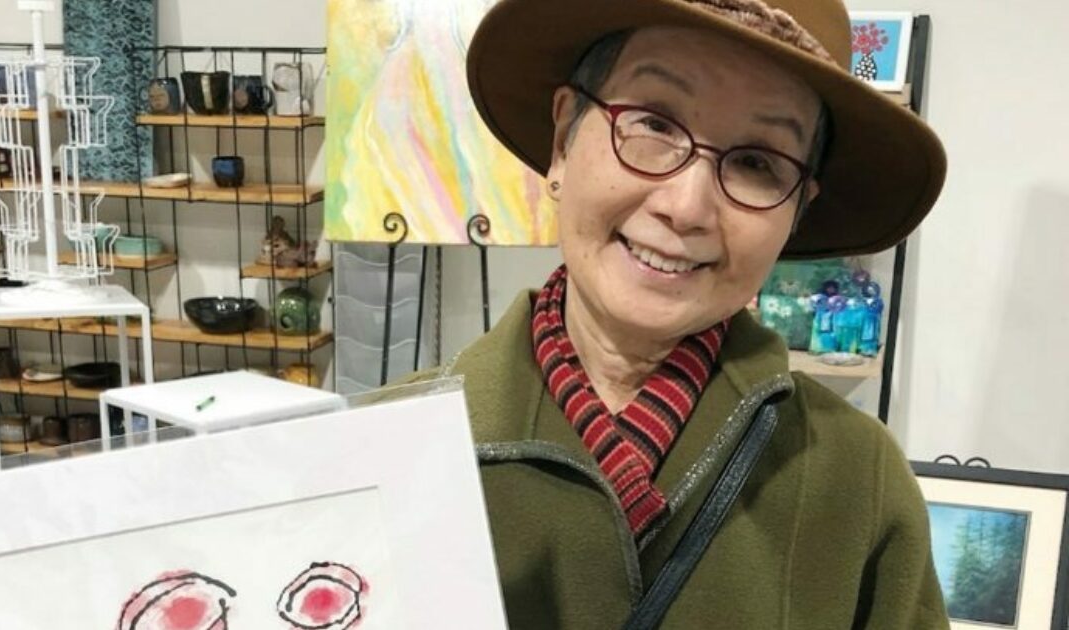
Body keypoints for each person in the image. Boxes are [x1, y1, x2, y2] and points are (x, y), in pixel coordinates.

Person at [403, 0, 951, 627]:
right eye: (654, 124)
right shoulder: (389, 450)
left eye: (756, 163)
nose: (686, 207)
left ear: (797, 209)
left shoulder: (856, 480)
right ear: (562, 143)